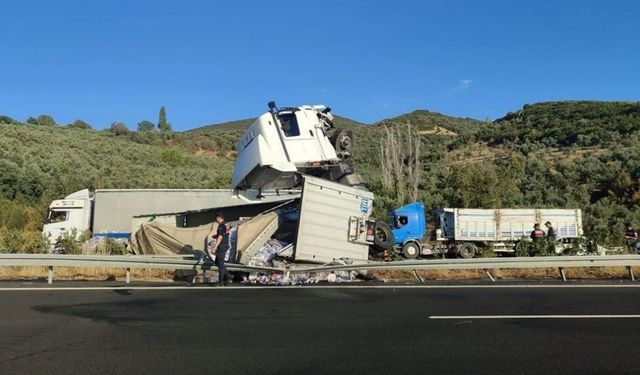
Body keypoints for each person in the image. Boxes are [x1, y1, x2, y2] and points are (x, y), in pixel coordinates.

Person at [211, 213, 230, 286]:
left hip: (222, 246)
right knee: (218, 263)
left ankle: (221, 282)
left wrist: (215, 247)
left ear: (219, 218)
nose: (216, 219)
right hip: (225, 245)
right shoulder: (226, 225)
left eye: (216, 218)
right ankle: (227, 279)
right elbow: (225, 234)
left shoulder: (222, 225)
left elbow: (221, 237)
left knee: (220, 264)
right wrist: (216, 235)